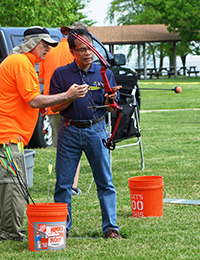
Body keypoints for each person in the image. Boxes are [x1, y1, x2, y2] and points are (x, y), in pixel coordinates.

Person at [0, 26, 89, 242]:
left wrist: (39, 104)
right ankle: (11, 233)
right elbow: (33, 99)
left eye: (50, 45)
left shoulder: (19, 62)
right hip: (9, 136)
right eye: (45, 44)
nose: (48, 49)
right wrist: (68, 94)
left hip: (10, 135)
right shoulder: (21, 63)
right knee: (14, 185)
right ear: (32, 44)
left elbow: (27, 99)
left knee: (7, 185)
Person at [49, 27, 122, 238]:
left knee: (105, 182)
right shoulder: (61, 74)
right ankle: (62, 229)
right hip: (69, 131)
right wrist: (70, 96)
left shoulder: (104, 72)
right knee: (63, 184)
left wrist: (110, 101)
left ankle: (111, 228)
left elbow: (109, 107)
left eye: (90, 48)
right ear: (72, 51)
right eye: (81, 49)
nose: (87, 53)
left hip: (96, 130)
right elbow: (55, 108)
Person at [39, 23, 88, 196]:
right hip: (71, 106)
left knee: (62, 147)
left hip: (52, 105)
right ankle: (72, 186)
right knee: (75, 147)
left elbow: (43, 78)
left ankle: (63, 184)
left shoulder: (49, 50)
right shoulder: (76, 51)